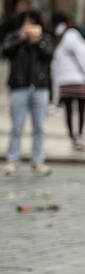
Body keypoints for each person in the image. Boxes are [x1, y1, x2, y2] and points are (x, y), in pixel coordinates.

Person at [3, 10, 53, 176]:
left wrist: (37, 42)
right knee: (17, 126)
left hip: (40, 88)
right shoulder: (14, 37)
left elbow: (49, 56)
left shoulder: (45, 38)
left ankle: (38, 161)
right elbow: (6, 51)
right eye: (27, 22)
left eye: (33, 22)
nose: (30, 26)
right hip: (19, 87)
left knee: (39, 126)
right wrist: (21, 38)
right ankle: (12, 159)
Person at [50, 12, 85, 152]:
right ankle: (80, 135)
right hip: (80, 83)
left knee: (68, 112)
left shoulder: (60, 48)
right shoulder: (84, 47)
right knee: (81, 111)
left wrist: (55, 89)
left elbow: (55, 67)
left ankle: (71, 136)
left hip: (65, 84)